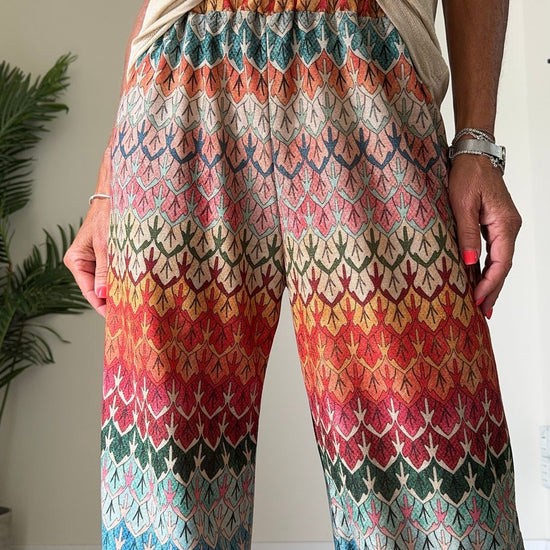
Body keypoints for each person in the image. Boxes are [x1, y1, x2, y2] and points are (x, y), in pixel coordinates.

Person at [64, 0, 525, 547]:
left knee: (441, 481)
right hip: (178, 78)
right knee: (162, 494)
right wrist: (108, 181)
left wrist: (477, 144)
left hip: (363, 63)